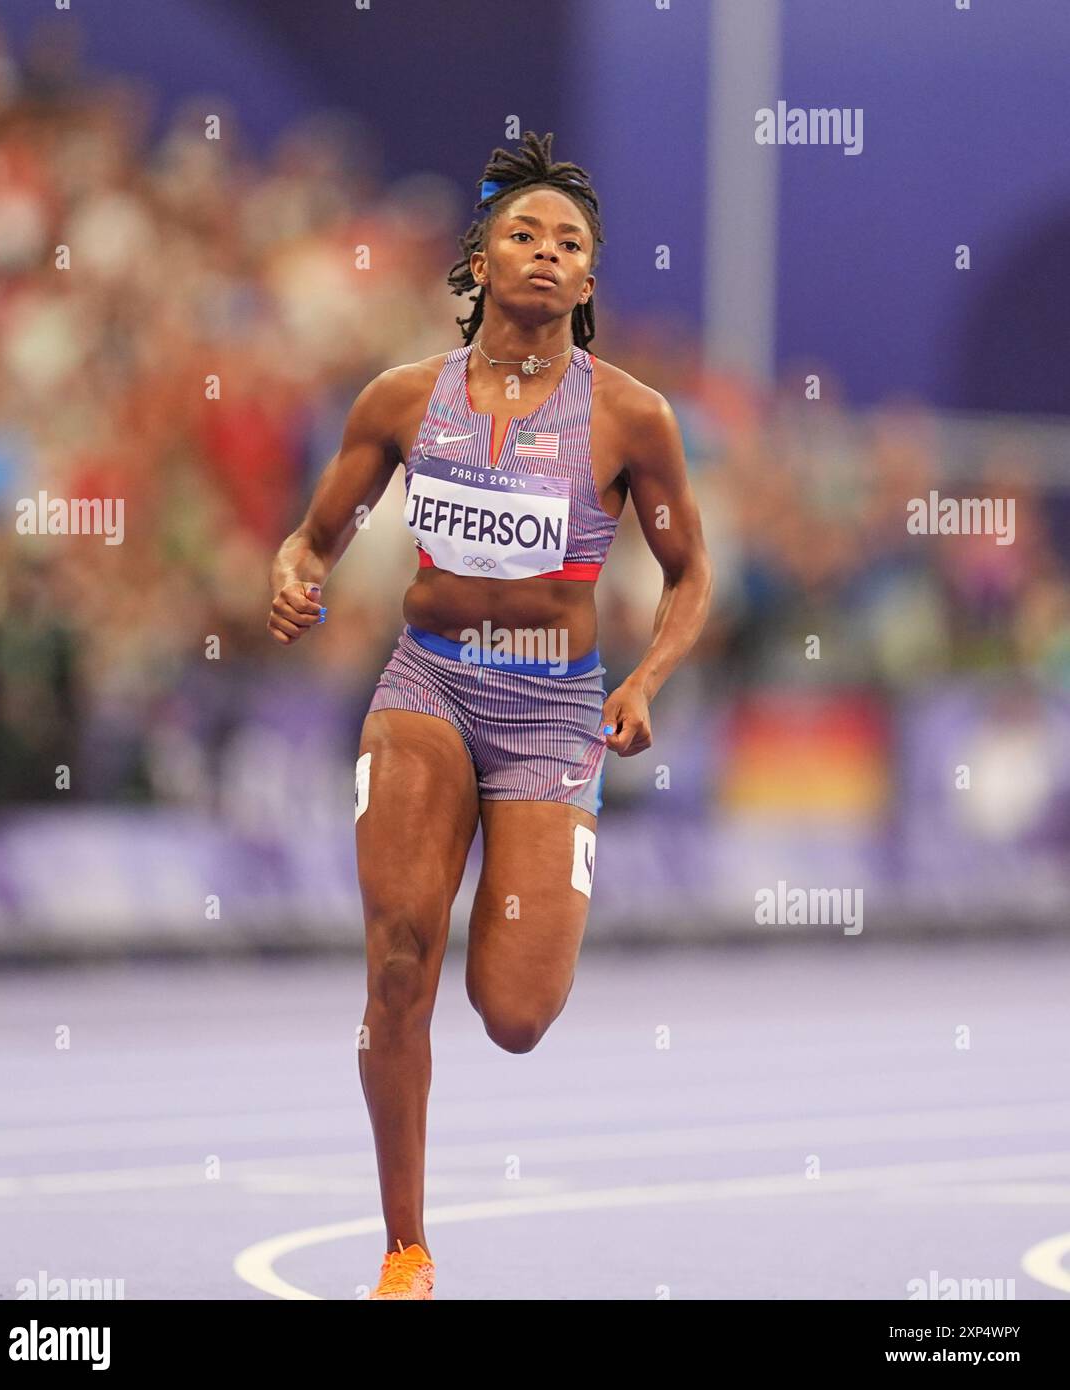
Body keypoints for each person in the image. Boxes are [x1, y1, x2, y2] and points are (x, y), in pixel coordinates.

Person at [268, 131, 713, 1299]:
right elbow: (316, 532)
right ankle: (404, 1248)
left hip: (554, 712)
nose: (546, 252)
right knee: (398, 958)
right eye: (524, 231)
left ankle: (520, 862)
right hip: (428, 685)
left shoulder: (630, 419)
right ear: (478, 257)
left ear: (588, 280)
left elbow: (692, 576)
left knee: (514, 1013)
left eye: (570, 242)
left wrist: (645, 679)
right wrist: (297, 568)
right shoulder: (400, 399)